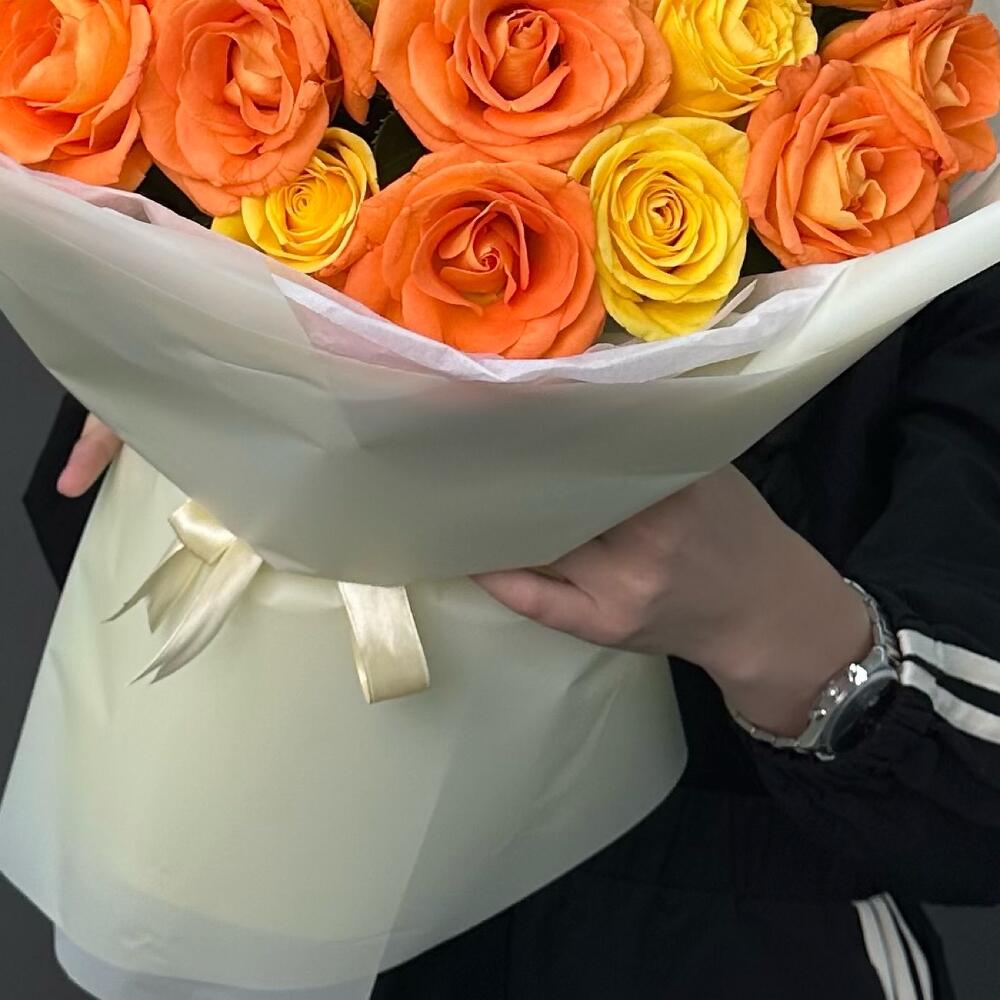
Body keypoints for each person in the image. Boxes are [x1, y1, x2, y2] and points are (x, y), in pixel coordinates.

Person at [23, 264, 1000, 1000]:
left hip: (720, 932)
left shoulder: (953, 217)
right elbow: (96, 519)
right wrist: (171, 377)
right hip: (286, 855)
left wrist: (773, 622)